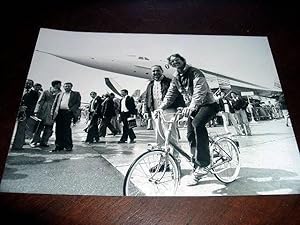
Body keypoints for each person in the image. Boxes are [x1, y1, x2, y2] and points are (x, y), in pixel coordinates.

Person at [157, 54, 218, 185]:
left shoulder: (195, 72)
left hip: (207, 104)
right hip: (193, 107)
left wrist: (191, 106)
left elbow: (200, 91)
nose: (175, 62)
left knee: (197, 124)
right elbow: (170, 94)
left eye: (177, 60)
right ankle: (196, 163)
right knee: (190, 134)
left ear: (183, 61)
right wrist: (161, 108)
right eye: (172, 61)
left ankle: (204, 164)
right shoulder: (176, 77)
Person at [144, 65, 185, 146]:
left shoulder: (169, 82)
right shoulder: (150, 84)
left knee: (170, 133)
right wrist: (146, 111)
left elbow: (179, 95)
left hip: (168, 110)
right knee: (158, 134)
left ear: (162, 71)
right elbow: (147, 98)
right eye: (153, 71)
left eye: (157, 71)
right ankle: (162, 154)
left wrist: (180, 108)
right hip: (155, 111)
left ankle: (175, 155)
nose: (155, 73)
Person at [30, 80, 62, 147]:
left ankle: (44, 142)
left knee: (49, 128)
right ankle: (34, 141)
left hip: (53, 112)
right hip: (43, 111)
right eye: (59, 84)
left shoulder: (60, 93)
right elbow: (40, 101)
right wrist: (36, 111)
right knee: (38, 127)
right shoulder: (46, 91)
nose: (60, 85)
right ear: (56, 85)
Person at [51, 82, 81, 152]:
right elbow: (55, 104)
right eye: (65, 86)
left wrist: (71, 110)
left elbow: (77, 103)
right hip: (59, 113)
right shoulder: (59, 94)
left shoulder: (76, 94)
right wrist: (52, 113)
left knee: (66, 130)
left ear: (71, 87)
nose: (67, 87)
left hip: (68, 113)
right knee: (58, 130)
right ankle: (58, 146)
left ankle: (68, 146)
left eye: (68, 86)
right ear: (63, 87)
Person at [11, 79, 39, 150]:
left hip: (25, 113)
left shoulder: (34, 93)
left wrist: (28, 110)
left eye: (30, 84)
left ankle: (17, 146)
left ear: (32, 85)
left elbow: (34, 104)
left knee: (21, 129)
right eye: (27, 83)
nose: (28, 85)